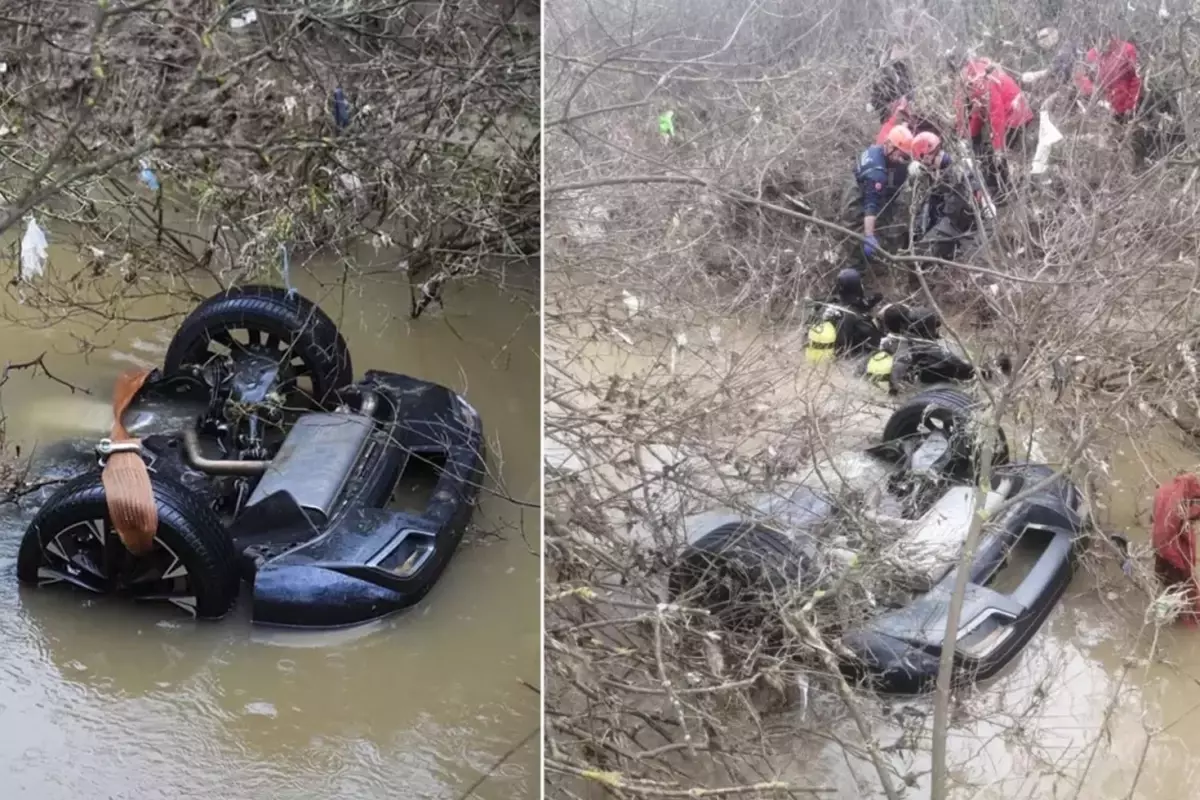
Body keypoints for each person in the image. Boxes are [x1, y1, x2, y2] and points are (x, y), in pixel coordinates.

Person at [948, 50, 1034, 198]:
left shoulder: (981, 80)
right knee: (979, 143)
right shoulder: (975, 76)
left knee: (992, 153)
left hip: (1015, 116)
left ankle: (1002, 190)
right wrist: (969, 136)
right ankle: (993, 183)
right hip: (1010, 112)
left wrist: (998, 147)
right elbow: (979, 111)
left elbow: (996, 114)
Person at [908, 131, 990, 264]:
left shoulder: (958, 169)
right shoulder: (945, 168)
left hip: (968, 226)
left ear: (927, 156)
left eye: (922, 161)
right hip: (959, 221)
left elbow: (965, 208)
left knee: (921, 253)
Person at [840, 124, 914, 270]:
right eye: (901, 155)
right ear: (890, 146)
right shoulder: (876, 173)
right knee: (856, 235)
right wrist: (869, 236)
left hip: (863, 186)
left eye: (905, 157)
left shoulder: (877, 150)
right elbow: (870, 206)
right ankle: (856, 267)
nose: (902, 160)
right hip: (858, 197)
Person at [1151, 472, 1200, 627]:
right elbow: (1180, 518)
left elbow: (1153, 519)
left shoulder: (1163, 491)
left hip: (1159, 548)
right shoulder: (1178, 502)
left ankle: (1162, 617)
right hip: (1172, 551)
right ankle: (1187, 625)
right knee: (1186, 589)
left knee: (1166, 584)